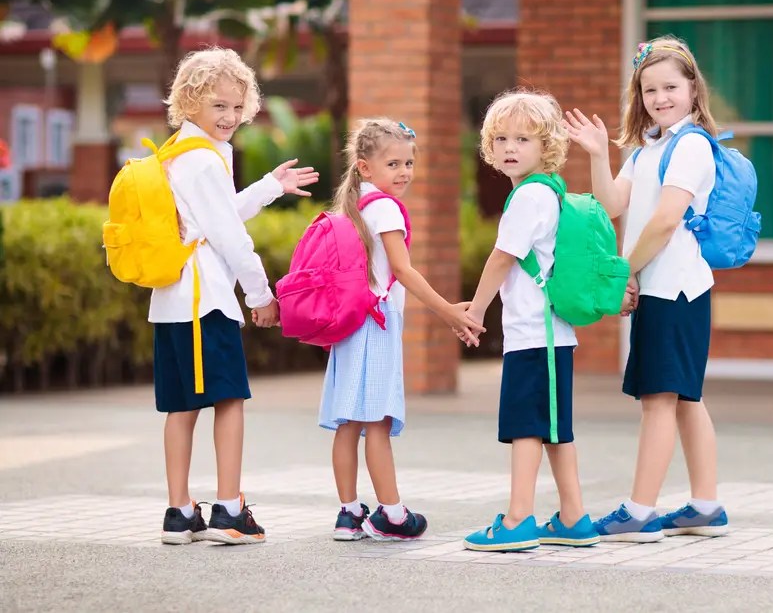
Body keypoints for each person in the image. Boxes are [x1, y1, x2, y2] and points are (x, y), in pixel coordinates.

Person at [564, 36, 729, 541]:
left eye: (670, 87)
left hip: (673, 289)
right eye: (649, 89)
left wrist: (624, 272)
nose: (660, 98)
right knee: (684, 398)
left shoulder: (692, 145)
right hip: (665, 288)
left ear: (693, 88)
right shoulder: (647, 148)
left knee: (659, 398)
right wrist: (598, 155)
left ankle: (638, 512)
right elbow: (613, 204)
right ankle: (706, 507)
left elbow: (665, 221)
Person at [153, 47, 319, 545]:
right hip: (205, 301)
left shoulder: (179, 153)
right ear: (189, 103)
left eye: (236, 106)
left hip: (172, 301)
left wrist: (270, 185)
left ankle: (181, 513)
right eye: (218, 105)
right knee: (229, 400)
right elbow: (229, 236)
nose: (229, 116)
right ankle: (228, 510)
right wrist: (261, 294)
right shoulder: (203, 161)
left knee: (182, 406)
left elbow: (216, 216)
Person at [321, 118, 484, 542]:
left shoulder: (353, 206)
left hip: (349, 324)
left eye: (408, 163)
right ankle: (392, 515)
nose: (404, 172)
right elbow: (404, 271)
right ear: (364, 167)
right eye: (392, 164)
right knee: (376, 422)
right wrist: (448, 311)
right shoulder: (386, 208)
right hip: (376, 322)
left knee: (349, 422)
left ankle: (348, 514)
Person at [461, 90, 599, 552]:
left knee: (526, 427)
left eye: (523, 139)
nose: (509, 148)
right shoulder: (548, 191)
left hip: (535, 335)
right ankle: (573, 517)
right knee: (554, 429)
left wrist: (475, 309)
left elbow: (503, 257)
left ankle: (518, 519)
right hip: (549, 335)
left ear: (547, 146)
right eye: (500, 138)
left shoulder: (529, 197)